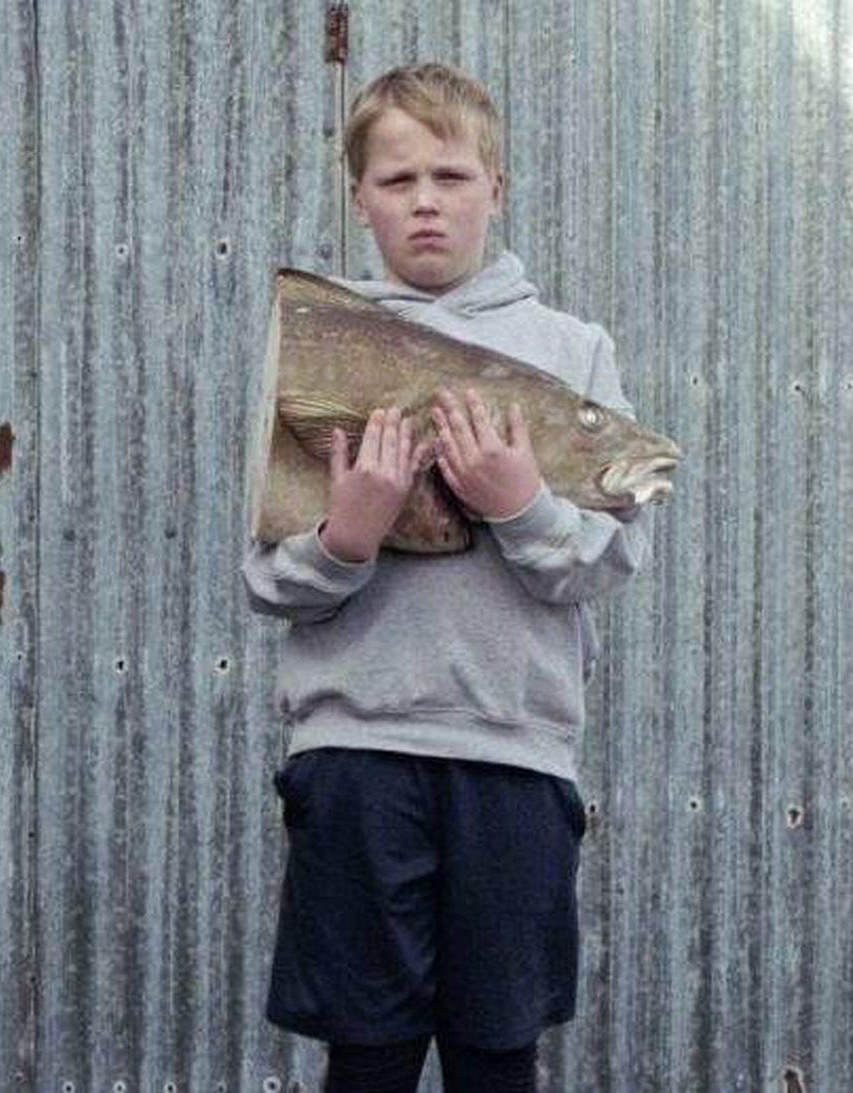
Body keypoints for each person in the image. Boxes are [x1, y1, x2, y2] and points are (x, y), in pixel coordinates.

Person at [242, 63, 652, 1093]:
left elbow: (610, 556)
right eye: (397, 180)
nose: (425, 200)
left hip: (513, 760)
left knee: (495, 1056)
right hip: (355, 756)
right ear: (359, 199)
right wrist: (348, 534)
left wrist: (519, 501)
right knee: (367, 1057)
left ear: (494, 188)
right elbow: (268, 581)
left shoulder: (570, 351)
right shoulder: (318, 345)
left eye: (451, 175)